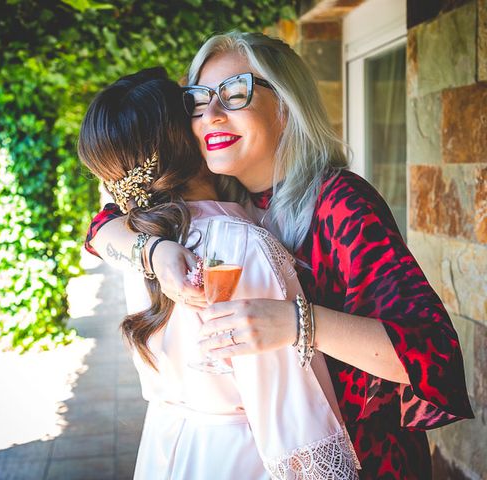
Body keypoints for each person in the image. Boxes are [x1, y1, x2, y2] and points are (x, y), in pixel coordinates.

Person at [83, 32, 474, 479]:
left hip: (369, 459)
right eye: (197, 100)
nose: (210, 115)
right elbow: (102, 226)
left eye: (234, 94)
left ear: (285, 107)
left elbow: (433, 354)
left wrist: (295, 322)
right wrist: (152, 250)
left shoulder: (341, 201)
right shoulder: (226, 197)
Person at [78, 67, 360, 479]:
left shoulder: (139, 239)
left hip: (168, 451)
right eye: (194, 107)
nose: (210, 117)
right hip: (240, 459)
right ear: (188, 140)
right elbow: (295, 426)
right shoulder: (239, 246)